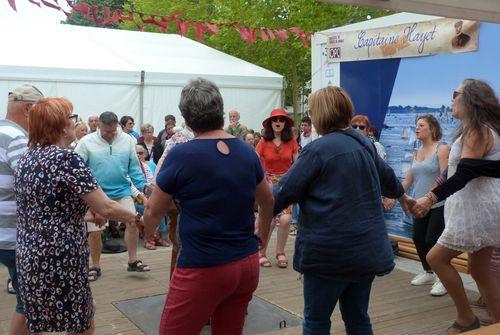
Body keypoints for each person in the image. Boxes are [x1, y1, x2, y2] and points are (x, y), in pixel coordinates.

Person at [272, 86, 413, 335]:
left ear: (321, 114)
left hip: (328, 255)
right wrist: (403, 197)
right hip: (365, 252)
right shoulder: (365, 143)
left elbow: (281, 194)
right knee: (358, 318)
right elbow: (390, 180)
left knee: (316, 321)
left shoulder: (317, 150)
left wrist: (249, 207)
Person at [144, 78, 274, 335]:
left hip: (203, 266)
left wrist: (148, 232)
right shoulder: (247, 152)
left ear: (187, 118)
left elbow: (153, 211)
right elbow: (268, 201)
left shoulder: (182, 154)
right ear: (220, 111)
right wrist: (263, 234)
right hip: (246, 264)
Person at [14, 97, 141, 334]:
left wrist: (84, 214)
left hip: (29, 254)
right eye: (72, 117)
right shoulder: (67, 159)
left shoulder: (27, 159)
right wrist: (136, 217)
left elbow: (45, 209)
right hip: (61, 255)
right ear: (61, 125)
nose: (76, 121)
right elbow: (106, 207)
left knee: (37, 321)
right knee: (82, 321)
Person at [413, 79, 500, 334]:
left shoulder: (477, 130)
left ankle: (465, 318)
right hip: (488, 206)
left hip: (476, 207)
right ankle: (497, 322)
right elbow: (467, 170)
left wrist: (429, 199)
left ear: (470, 98)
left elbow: (463, 175)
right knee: (479, 268)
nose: (451, 99)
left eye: (455, 94)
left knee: (435, 259)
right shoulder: (490, 128)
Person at [75, 112, 150, 279]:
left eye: (113, 132)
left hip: (122, 190)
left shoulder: (128, 140)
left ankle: (133, 261)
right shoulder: (86, 142)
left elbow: (134, 169)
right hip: (96, 194)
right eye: (105, 132)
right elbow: (78, 171)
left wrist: (144, 187)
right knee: (96, 231)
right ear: (98, 127)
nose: (109, 135)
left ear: (117, 127)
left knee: (132, 221)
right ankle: (95, 266)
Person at [0, 84, 44, 335]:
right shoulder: (17, 138)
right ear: (29, 109)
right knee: (30, 304)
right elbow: (34, 185)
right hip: (13, 235)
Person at [400, 115, 451, 296]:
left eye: (421, 125)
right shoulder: (417, 151)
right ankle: (428, 272)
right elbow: (408, 180)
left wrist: (430, 198)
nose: (416, 128)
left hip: (438, 203)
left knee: (432, 239)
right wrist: (394, 195)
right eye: (416, 125)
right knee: (418, 238)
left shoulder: (442, 148)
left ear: (432, 128)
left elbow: (446, 176)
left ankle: (442, 279)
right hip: (418, 204)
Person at [256, 108, 299, 268]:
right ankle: (261, 252)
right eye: (275, 120)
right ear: (270, 123)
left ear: (286, 123)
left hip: (286, 183)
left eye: (282, 120)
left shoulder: (292, 142)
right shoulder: (263, 142)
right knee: (269, 220)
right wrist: (261, 179)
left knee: (286, 219)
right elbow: (255, 162)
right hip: (267, 184)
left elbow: (298, 164)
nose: (278, 122)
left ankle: (280, 252)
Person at [133, 145, 169, 250]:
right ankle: (150, 238)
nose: (138, 155)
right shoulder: (127, 167)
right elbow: (128, 185)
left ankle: (158, 236)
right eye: (136, 153)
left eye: (140, 153)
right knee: (150, 208)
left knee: (159, 205)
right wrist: (141, 196)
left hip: (146, 195)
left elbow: (150, 183)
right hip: (134, 197)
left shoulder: (146, 166)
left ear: (144, 154)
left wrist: (151, 196)